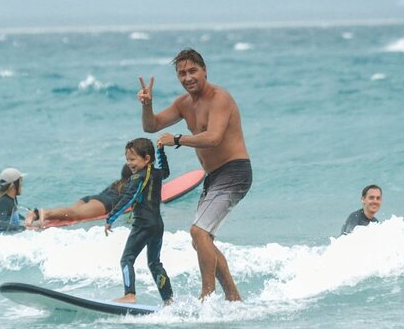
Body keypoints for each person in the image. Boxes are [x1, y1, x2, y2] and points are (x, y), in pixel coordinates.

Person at [137, 48, 252, 301]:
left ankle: (206, 297)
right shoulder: (184, 103)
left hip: (235, 170)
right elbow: (151, 125)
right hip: (214, 176)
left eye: (192, 71)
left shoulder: (220, 98)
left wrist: (178, 139)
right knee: (202, 239)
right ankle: (234, 298)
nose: (187, 77)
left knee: (198, 233)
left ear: (204, 70)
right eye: (182, 73)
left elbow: (213, 137)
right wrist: (148, 105)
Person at [104, 138, 173, 305]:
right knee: (154, 263)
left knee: (126, 259)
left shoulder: (137, 178)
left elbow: (128, 199)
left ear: (146, 159)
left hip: (143, 224)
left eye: (133, 159)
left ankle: (129, 295)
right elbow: (166, 171)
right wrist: (161, 152)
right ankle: (168, 299)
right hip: (157, 225)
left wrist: (110, 218)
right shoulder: (156, 174)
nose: (129, 163)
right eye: (127, 159)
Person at [24, 164, 133, 228]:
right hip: (104, 204)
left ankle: (38, 215)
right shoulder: (132, 186)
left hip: (90, 199)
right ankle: (42, 213)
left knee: (70, 212)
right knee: (75, 215)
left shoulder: (117, 183)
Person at [0, 167, 28, 232]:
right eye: (20, 181)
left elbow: (13, 217)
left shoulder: (12, 199)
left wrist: (26, 220)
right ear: (14, 185)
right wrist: (21, 228)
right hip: (2, 239)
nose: (21, 184)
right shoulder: (3, 202)